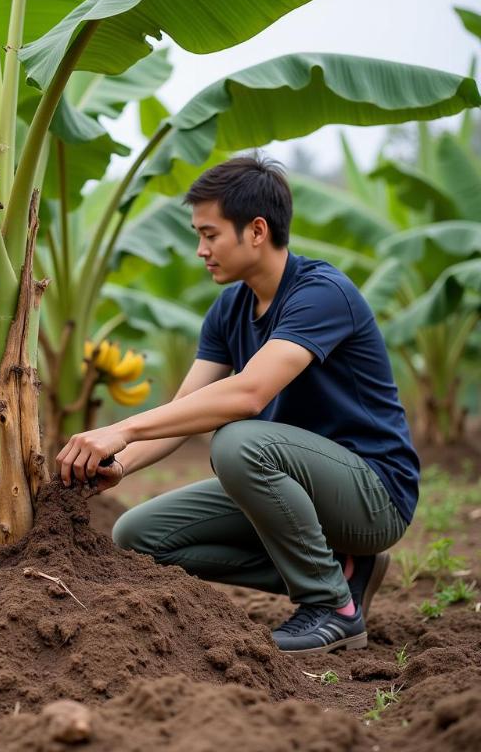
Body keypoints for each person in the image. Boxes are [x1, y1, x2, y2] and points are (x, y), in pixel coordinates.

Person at [56, 154, 419, 656]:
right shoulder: (230, 309)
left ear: (256, 230)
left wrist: (122, 429)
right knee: (137, 536)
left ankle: (330, 607)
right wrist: (116, 462)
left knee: (237, 442)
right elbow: (185, 411)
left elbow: (248, 394)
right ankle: (344, 571)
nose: (201, 250)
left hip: (374, 495)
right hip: (296, 484)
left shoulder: (321, 294)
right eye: (198, 235)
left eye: (210, 234)